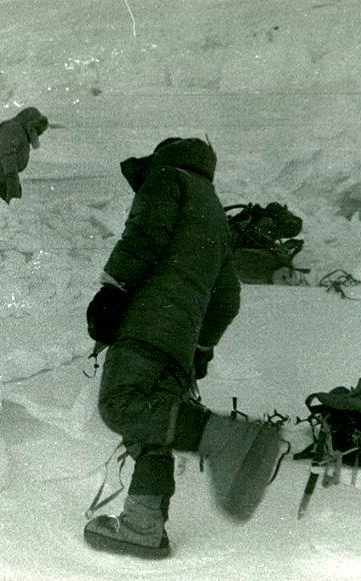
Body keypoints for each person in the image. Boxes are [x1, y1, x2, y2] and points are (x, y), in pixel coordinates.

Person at [83, 137, 282, 559]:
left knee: (121, 404)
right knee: (153, 423)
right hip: (180, 338)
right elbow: (227, 297)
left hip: (147, 323)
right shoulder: (213, 212)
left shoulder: (166, 180)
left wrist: (113, 290)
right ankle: (142, 526)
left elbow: (144, 235)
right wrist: (199, 349)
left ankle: (229, 438)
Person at [0, 106, 49, 203]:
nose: (36, 135)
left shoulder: (19, 131)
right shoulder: (14, 128)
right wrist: (12, 185)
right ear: (30, 124)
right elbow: (7, 155)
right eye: (36, 130)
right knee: (0, 214)